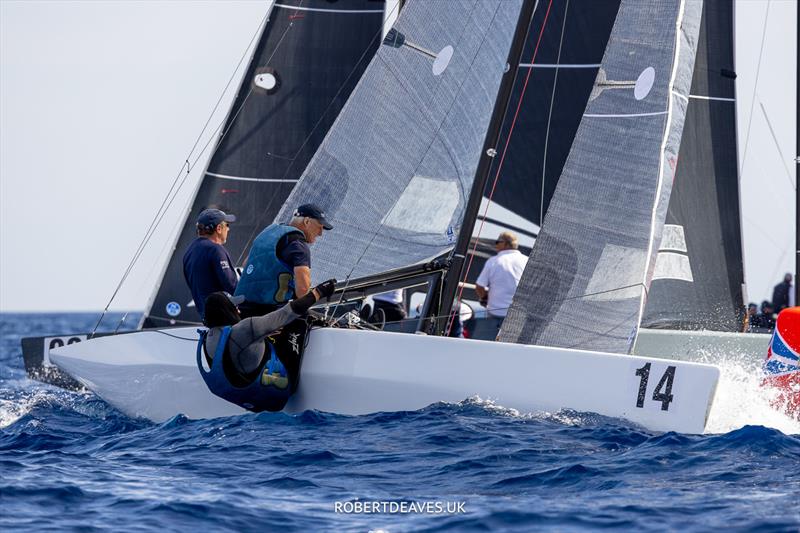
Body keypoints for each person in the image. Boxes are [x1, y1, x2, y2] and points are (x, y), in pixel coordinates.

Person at [197, 279, 336, 412]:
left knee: (266, 333)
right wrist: (319, 292)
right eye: (234, 307)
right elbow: (288, 312)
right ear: (227, 310)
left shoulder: (207, 340)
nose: (238, 310)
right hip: (281, 390)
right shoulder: (246, 328)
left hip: (251, 400)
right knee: (299, 318)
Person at [235, 204, 333, 317]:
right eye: (319, 227)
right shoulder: (299, 246)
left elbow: (246, 264)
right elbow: (302, 292)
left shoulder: (268, 232)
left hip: (240, 309)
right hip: (267, 314)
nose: (320, 233)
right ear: (307, 222)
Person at [183, 208, 238, 319]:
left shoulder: (189, 251)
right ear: (218, 228)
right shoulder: (216, 250)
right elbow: (232, 287)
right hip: (225, 319)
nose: (228, 229)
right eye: (227, 225)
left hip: (207, 318)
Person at [472, 231, 528, 340]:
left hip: (496, 315)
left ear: (506, 244)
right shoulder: (526, 260)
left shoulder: (494, 261)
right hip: (518, 316)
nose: (496, 244)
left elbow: (479, 286)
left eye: (498, 242)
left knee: (489, 349)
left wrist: (484, 297)